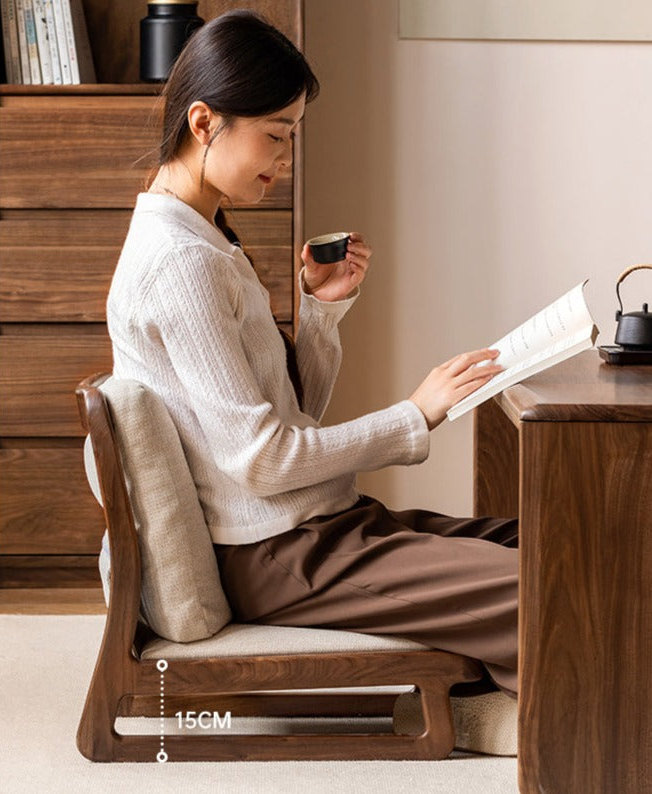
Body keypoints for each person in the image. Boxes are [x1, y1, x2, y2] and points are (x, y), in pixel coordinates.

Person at [107, 10, 519, 702]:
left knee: (537, 541)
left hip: (313, 528)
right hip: (278, 553)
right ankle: (553, 724)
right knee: (561, 581)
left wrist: (320, 314)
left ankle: (500, 701)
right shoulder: (180, 261)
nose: (285, 160)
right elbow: (263, 461)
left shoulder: (205, 239)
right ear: (204, 123)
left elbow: (287, 419)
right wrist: (413, 416)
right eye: (275, 135)